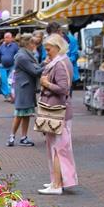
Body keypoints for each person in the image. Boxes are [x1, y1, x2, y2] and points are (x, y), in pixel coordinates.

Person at [37, 33, 78, 194]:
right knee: (55, 147)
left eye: (48, 50)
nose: (47, 53)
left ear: (57, 47)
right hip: (57, 110)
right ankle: (56, 180)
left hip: (57, 111)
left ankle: (57, 185)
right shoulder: (62, 61)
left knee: (57, 148)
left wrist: (46, 84)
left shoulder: (60, 64)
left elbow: (63, 89)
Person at [7, 34, 42, 148]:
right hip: (23, 88)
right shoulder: (22, 56)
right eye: (33, 43)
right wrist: (47, 64)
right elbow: (35, 71)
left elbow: (35, 68)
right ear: (28, 44)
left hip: (26, 87)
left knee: (26, 114)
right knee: (20, 113)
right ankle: (12, 137)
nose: (34, 45)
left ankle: (23, 137)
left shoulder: (26, 55)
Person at [0, 32, 18, 100]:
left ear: (11, 38)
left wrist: (16, 64)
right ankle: (7, 94)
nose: (6, 39)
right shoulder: (1, 46)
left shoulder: (15, 46)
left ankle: (10, 95)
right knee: (3, 81)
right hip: (2, 67)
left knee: (10, 81)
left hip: (12, 66)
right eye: (5, 37)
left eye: (8, 37)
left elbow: (17, 55)